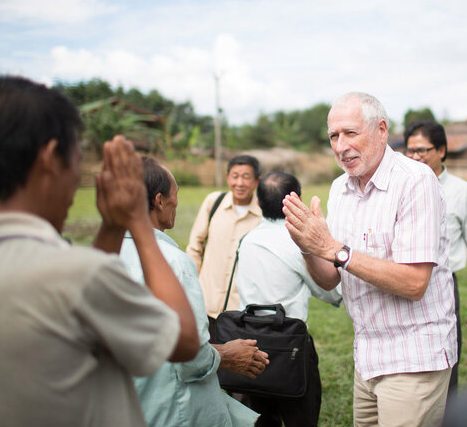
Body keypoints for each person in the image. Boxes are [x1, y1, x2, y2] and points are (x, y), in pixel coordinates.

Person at [0, 76, 199, 426]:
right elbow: (184, 341)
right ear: (50, 159)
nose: (78, 179)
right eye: (76, 159)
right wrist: (138, 224)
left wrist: (113, 227)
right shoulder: (76, 276)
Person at [282, 92, 457, 427]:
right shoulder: (340, 189)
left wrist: (334, 249)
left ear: (381, 130)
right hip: (367, 356)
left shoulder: (415, 181)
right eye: (334, 136)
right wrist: (308, 245)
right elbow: (331, 278)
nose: (340, 146)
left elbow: (414, 283)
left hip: (415, 356)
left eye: (350, 133)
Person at [119, 157, 269, 426]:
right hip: (172, 410)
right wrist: (226, 354)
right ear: (159, 200)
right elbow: (190, 360)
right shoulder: (174, 263)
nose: (177, 202)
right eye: (175, 194)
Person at [236, 171, 343, 427]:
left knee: (261, 419)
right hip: (290, 348)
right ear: (298, 200)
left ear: (258, 202)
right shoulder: (296, 243)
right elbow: (332, 294)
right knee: (301, 418)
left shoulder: (247, 240)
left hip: (250, 346)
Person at [404, 120, 467, 397]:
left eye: (422, 150)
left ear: (441, 150)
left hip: (442, 285)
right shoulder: (400, 188)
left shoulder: (462, 192)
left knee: (445, 360)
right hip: (402, 281)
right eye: (410, 151)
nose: (415, 157)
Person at [187, 155, 262, 339]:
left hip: (240, 313)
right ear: (228, 177)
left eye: (246, 177)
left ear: (256, 181)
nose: (240, 183)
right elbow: (195, 247)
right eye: (235, 176)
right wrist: (194, 286)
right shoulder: (214, 202)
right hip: (205, 307)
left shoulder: (262, 214)